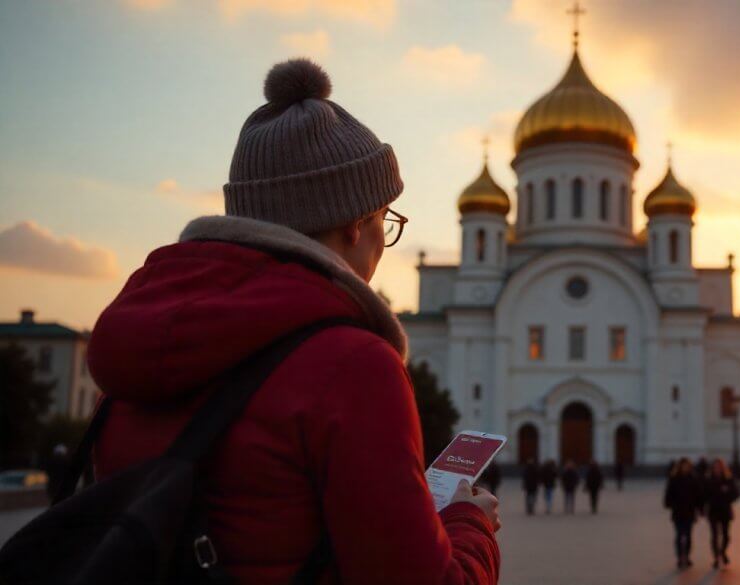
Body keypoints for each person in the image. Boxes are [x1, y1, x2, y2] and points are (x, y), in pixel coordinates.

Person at [86, 58, 500, 584]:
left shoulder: (136, 339)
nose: (383, 242)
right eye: (385, 222)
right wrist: (470, 524)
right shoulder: (351, 364)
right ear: (355, 224)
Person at [664, 458, 704, 569]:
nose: (685, 467)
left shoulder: (693, 479)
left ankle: (687, 556)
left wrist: (700, 509)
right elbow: (668, 494)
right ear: (680, 466)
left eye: (687, 465)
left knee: (688, 535)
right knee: (679, 535)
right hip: (678, 512)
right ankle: (679, 557)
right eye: (683, 465)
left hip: (690, 512)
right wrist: (669, 504)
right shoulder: (674, 479)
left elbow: (699, 495)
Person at [705, 458, 739, 569]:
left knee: (726, 536)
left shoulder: (728, 479)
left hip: (725, 510)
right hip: (713, 511)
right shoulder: (709, 480)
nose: (717, 469)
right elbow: (704, 495)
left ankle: (723, 552)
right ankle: (716, 558)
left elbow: (735, 494)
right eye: (715, 467)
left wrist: (727, 491)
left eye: (719, 467)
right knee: (714, 535)